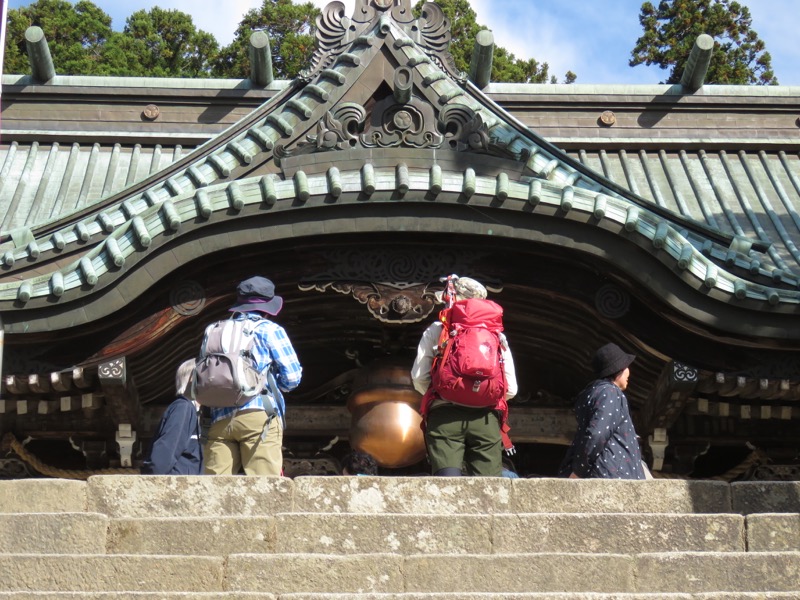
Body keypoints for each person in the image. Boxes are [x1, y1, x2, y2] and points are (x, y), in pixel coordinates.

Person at [411, 276, 518, 477]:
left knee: (449, 484)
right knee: (487, 489)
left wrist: (445, 390)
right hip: (485, 420)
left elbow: (418, 378)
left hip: (445, 417)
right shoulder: (497, 335)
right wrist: (481, 394)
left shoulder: (438, 330)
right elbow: (511, 389)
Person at [204, 276, 303, 476]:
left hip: (219, 418)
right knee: (263, 487)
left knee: (214, 491)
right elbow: (292, 377)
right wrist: (277, 383)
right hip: (259, 414)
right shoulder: (270, 330)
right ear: (268, 308)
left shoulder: (213, 330)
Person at [558, 342, 646, 480]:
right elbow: (598, 433)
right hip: (612, 475)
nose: (629, 371)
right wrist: (579, 472)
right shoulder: (610, 392)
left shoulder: (593, 393)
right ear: (618, 369)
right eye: (626, 366)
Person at [141, 359, 203, 475]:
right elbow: (166, 450)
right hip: (175, 486)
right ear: (192, 379)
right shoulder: (183, 407)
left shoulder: (194, 411)